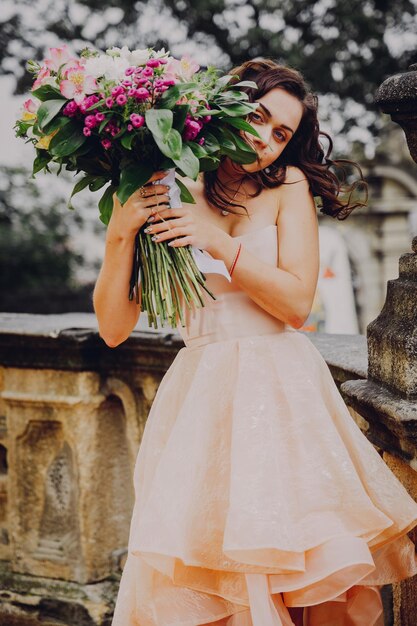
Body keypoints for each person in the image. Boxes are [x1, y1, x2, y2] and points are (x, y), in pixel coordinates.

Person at [93, 59, 417, 626]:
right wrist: (121, 233)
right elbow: (114, 327)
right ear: (225, 108)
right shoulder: (165, 187)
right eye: (260, 117)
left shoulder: (288, 187)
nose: (266, 140)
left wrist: (218, 243)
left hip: (284, 397)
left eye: (282, 134)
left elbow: (295, 305)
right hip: (201, 402)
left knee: (310, 584)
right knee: (215, 582)